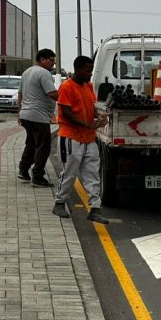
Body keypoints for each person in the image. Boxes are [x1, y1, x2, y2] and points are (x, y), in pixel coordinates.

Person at [53, 55, 109, 224]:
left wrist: (99, 117)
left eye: (91, 70)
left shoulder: (88, 86)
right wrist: (88, 124)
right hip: (70, 137)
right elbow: (67, 113)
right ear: (77, 69)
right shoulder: (66, 87)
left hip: (88, 138)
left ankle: (95, 208)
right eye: (87, 70)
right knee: (69, 172)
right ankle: (59, 203)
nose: (90, 74)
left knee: (92, 173)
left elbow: (92, 107)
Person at [18, 48, 59, 187]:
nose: (53, 64)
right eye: (51, 60)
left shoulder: (26, 72)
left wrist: (20, 112)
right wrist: (69, 97)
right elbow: (52, 93)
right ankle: (38, 176)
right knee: (43, 146)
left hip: (26, 114)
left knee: (31, 143)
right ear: (42, 59)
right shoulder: (44, 73)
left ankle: (23, 169)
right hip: (38, 116)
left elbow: (20, 94)